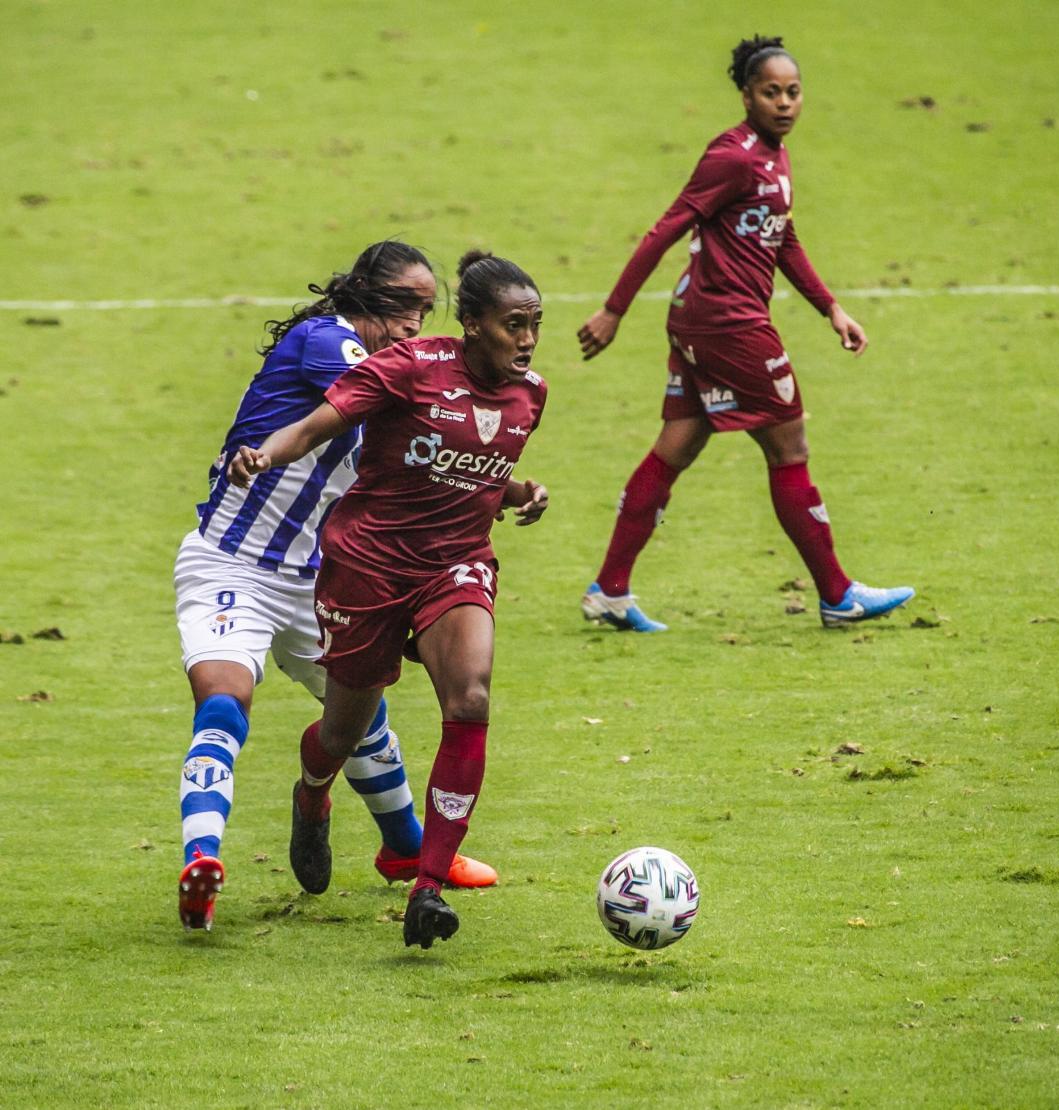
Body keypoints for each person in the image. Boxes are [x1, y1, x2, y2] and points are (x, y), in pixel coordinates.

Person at [228, 250, 548, 950]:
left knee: (469, 701)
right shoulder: (410, 367)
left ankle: (426, 885)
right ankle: (313, 793)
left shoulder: (532, 394)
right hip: (368, 567)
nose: (526, 339)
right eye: (512, 324)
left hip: (455, 565)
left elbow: (474, 463)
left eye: (535, 325)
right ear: (470, 325)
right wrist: (264, 454)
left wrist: (523, 490)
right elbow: (318, 425)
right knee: (341, 735)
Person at [175, 241, 498, 933]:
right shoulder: (326, 340)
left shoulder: (389, 359)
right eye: (407, 306)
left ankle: (404, 848)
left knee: (359, 715)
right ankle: (200, 861)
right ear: (367, 296)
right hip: (233, 565)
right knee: (226, 701)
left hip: (322, 578)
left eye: (426, 310)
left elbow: (421, 456)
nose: (416, 323)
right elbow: (407, 394)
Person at [577, 35, 915, 632]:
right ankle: (838, 595)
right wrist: (613, 309)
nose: (784, 102)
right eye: (770, 92)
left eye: (793, 91)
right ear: (746, 95)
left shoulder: (775, 155)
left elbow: (782, 237)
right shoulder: (731, 157)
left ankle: (609, 589)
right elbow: (666, 228)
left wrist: (830, 308)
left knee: (678, 444)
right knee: (790, 449)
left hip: (701, 322)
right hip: (728, 324)